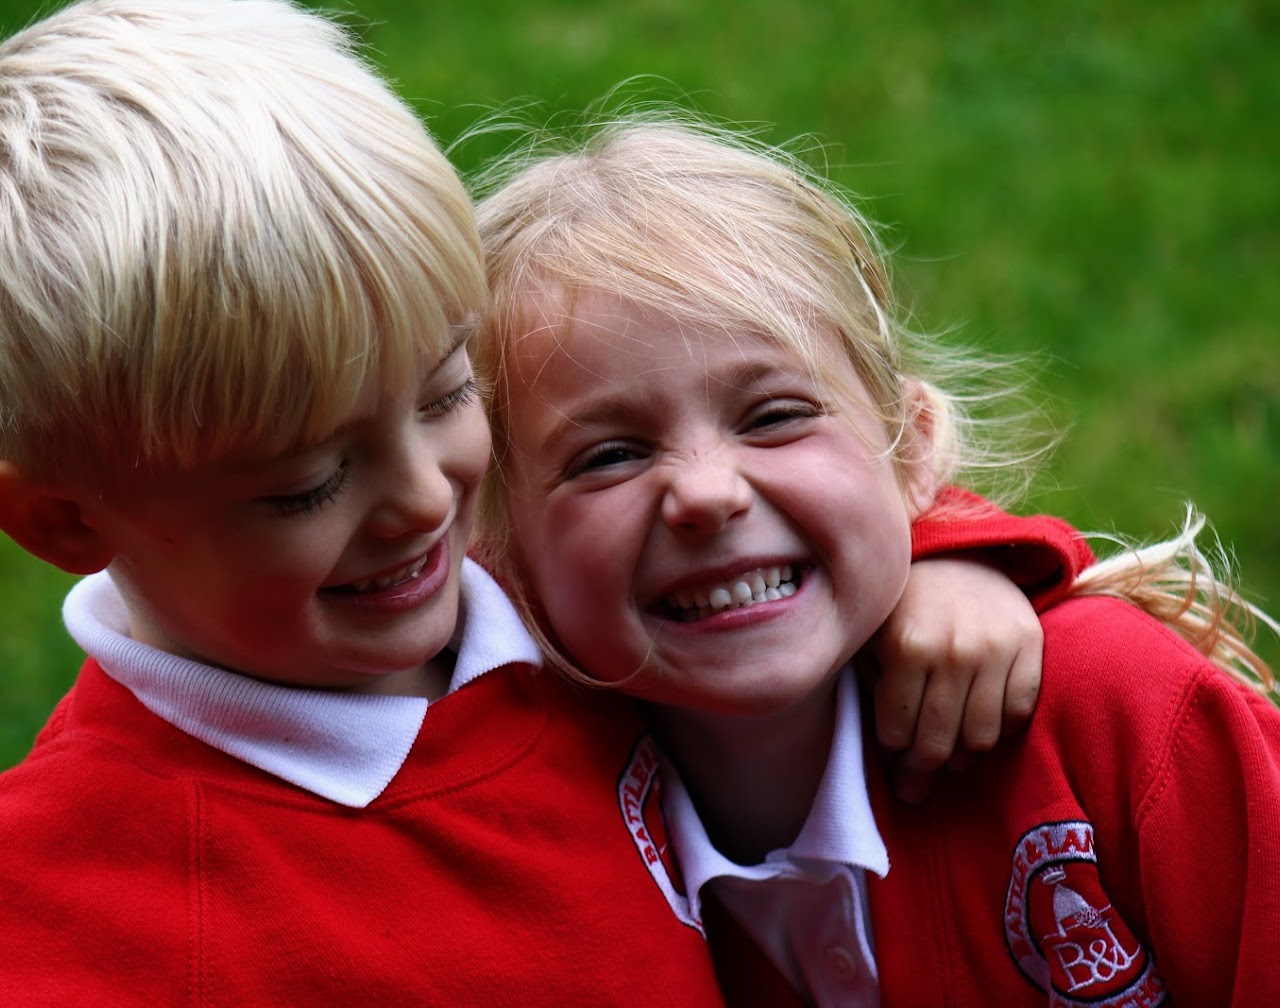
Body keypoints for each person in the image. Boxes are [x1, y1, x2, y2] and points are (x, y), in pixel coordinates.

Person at [0, 2, 1092, 1003]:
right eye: (308, 484)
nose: (425, 500)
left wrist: (950, 555)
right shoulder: (68, 915)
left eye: (445, 394)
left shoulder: (528, 600)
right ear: (66, 521)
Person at [468, 113, 1280, 1007]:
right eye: (608, 456)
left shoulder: (1109, 707)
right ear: (493, 551)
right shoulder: (519, 843)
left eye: (775, 415)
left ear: (914, 448)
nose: (704, 492)